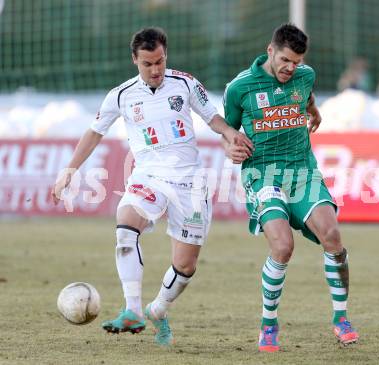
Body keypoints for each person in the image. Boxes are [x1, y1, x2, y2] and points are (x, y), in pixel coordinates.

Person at [51, 27, 252, 346]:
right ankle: (132, 310)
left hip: (190, 183)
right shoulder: (121, 94)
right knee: (125, 227)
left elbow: (213, 118)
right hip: (148, 176)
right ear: (135, 60)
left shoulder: (185, 83)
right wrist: (70, 170)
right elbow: (94, 132)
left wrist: (230, 134)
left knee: (185, 266)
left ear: (165, 56)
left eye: (159, 61)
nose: (155, 69)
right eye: (147, 64)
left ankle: (158, 309)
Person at [222, 23, 359, 352]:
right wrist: (229, 146)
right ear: (270, 51)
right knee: (282, 246)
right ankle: (269, 324)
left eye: (296, 62)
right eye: (285, 60)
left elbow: (306, 96)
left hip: (302, 170)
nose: (290, 68)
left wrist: (313, 110)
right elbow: (227, 127)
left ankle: (341, 318)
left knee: (333, 236)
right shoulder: (240, 87)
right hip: (263, 174)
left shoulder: (305, 75)